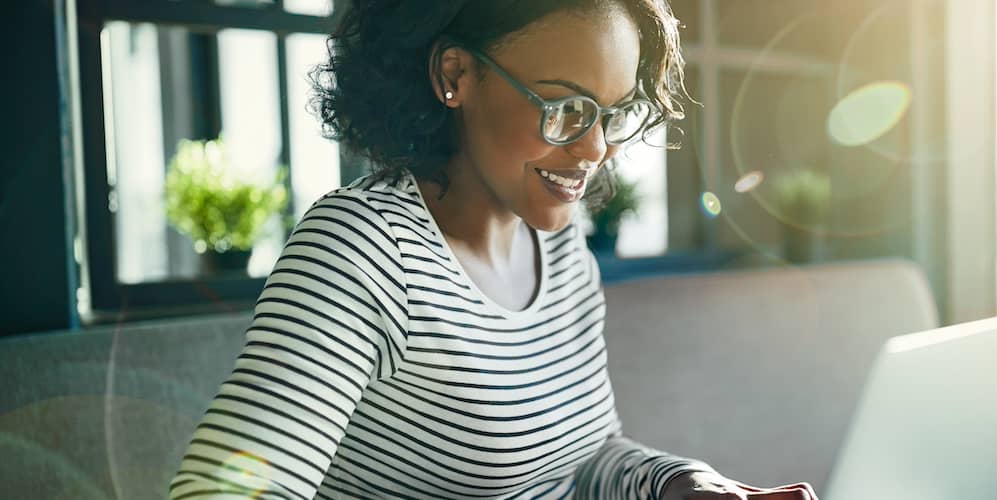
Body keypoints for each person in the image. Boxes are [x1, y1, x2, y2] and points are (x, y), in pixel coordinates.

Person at [169, 1, 818, 499]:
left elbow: (584, 454)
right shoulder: (363, 250)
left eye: (613, 113)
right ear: (456, 75)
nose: (594, 149)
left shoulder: (560, 251)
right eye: (565, 106)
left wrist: (679, 484)